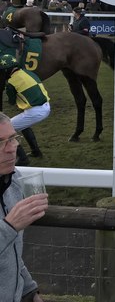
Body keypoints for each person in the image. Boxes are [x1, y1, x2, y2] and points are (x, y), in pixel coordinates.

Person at [0, 112, 48, 302]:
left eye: (12, 138)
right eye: (1, 142)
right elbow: (8, 233)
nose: (12, 148)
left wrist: (29, 290)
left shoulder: (14, 180)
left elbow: (11, 252)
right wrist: (9, 227)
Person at [2, 55, 49, 167]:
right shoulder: (28, 72)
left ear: (7, 69)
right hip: (46, 106)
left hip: (35, 111)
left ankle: (23, 159)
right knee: (24, 125)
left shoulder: (11, 82)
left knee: (8, 131)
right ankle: (36, 151)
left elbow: (12, 102)